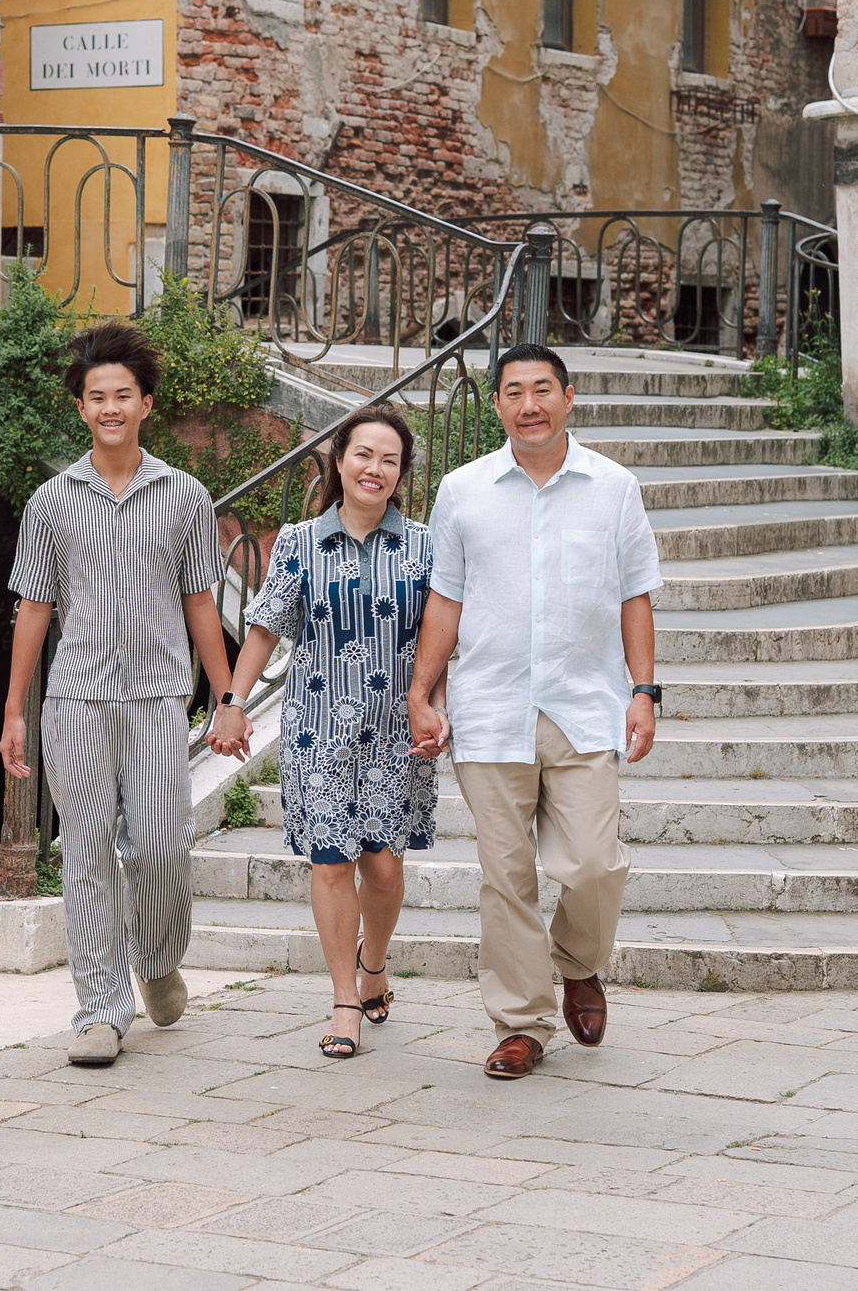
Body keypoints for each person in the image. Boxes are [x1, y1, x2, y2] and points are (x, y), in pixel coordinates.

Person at [409, 343, 661, 1080]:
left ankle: (579, 962)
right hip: (490, 708)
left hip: (584, 706)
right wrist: (421, 691)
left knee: (593, 863)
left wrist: (644, 690)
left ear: (569, 397)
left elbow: (635, 594)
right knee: (506, 875)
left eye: (543, 389)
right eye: (514, 391)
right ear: (496, 405)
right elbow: (446, 597)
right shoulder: (462, 490)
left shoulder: (614, 487)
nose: (530, 405)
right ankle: (521, 1023)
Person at [3, 320, 238, 1069]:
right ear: (81, 407)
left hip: (158, 699)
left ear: (145, 404)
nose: (110, 407)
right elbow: (34, 607)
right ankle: (100, 1010)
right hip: (75, 701)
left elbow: (202, 602)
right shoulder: (50, 502)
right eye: (97, 396)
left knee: (163, 845)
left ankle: (159, 959)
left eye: (123, 395)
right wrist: (14, 710)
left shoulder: (185, 496)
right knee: (87, 855)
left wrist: (227, 697)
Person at [211, 406, 437, 1059]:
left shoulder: (424, 545)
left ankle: (374, 964)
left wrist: (434, 704)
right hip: (318, 729)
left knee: (384, 867)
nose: (375, 469)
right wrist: (232, 703)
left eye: (389, 460)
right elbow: (264, 628)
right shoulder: (299, 541)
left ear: (401, 473)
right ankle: (344, 1000)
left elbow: (441, 637)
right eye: (364, 454)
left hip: (395, 729)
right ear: (340, 461)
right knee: (332, 861)